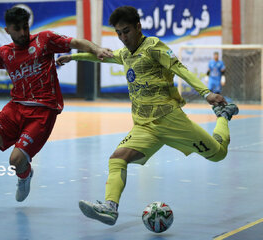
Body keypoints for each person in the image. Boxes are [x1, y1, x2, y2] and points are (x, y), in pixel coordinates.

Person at [56, 6, 239, 226]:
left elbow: (180, 68)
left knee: (218, 154)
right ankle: (110, 208)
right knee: (117, 159)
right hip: (144, 126)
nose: (123, 37)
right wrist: (73, 58)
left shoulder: (154, 47)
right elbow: (102, 57)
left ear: (138, 27)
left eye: (127, 31)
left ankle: (223, 116)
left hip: (170, 120)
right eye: (119, 33)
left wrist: (206, 93)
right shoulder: (124, 54)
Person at [0, 7, 113, 214]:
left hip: (43, 111)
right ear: (7, 30)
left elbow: (76, 42)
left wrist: (97, 49)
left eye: (25, 27)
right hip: (16, 107)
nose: (23, 33)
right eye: (17, 29)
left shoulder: (44, 40)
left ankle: (25, 175)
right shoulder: (4, 53)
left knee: (16, 160)